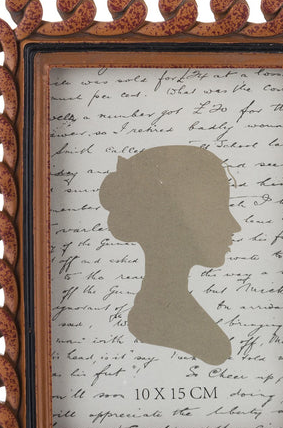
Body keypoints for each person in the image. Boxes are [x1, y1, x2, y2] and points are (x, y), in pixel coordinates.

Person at [99, 145, 241, 365]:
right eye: (215, 210)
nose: (235, 226)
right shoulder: (158, 318)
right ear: (174, 223)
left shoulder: (165, 311)